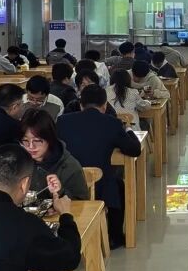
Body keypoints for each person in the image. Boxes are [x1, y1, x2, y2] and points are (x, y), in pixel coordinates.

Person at [18, 109, 90, 271]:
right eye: (25, 141)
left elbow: (81, 204)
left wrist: (60, 195)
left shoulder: (68, 165)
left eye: (37, 141)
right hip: (24, 227)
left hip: (57, 230)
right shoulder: (18, 162)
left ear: (49, 139)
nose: (30, 147)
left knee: (40, 265)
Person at [57, 83, 141, 248]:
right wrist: (128, 129)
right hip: (100, 186)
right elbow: (134, 150)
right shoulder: (112, 123)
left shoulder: (62, 121)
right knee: (119, 185)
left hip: (66, 184)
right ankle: (114, 236)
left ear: (81, 104)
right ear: (104, 106)